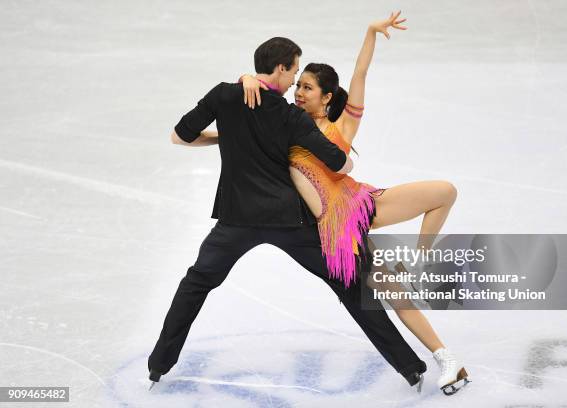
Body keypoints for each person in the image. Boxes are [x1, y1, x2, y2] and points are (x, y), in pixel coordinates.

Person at [148, 36, 428, 392]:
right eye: (294, 71)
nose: (294, 80)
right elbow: (339, 161)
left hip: (236, 219)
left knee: (196, 284)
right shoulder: (291, 115)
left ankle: (158, 366)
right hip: (288, 221)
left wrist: (227, 135)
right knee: (349, 284)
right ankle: (410, 367)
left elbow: (179, 136)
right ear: (280, 67)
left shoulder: (224, 95)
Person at [235, 12, 470, 395]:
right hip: (337, 228)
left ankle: (423, 270)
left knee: (444, 191)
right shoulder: (285, 121)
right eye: (299, 85)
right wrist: (247, 78)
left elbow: (359, 74)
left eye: (307, 88)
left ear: (327, 97)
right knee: (392, 296)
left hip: (362, 205)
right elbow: (254, 98)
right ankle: (448, 361)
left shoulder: (341, 127)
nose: (299, 92)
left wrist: (370, 33)